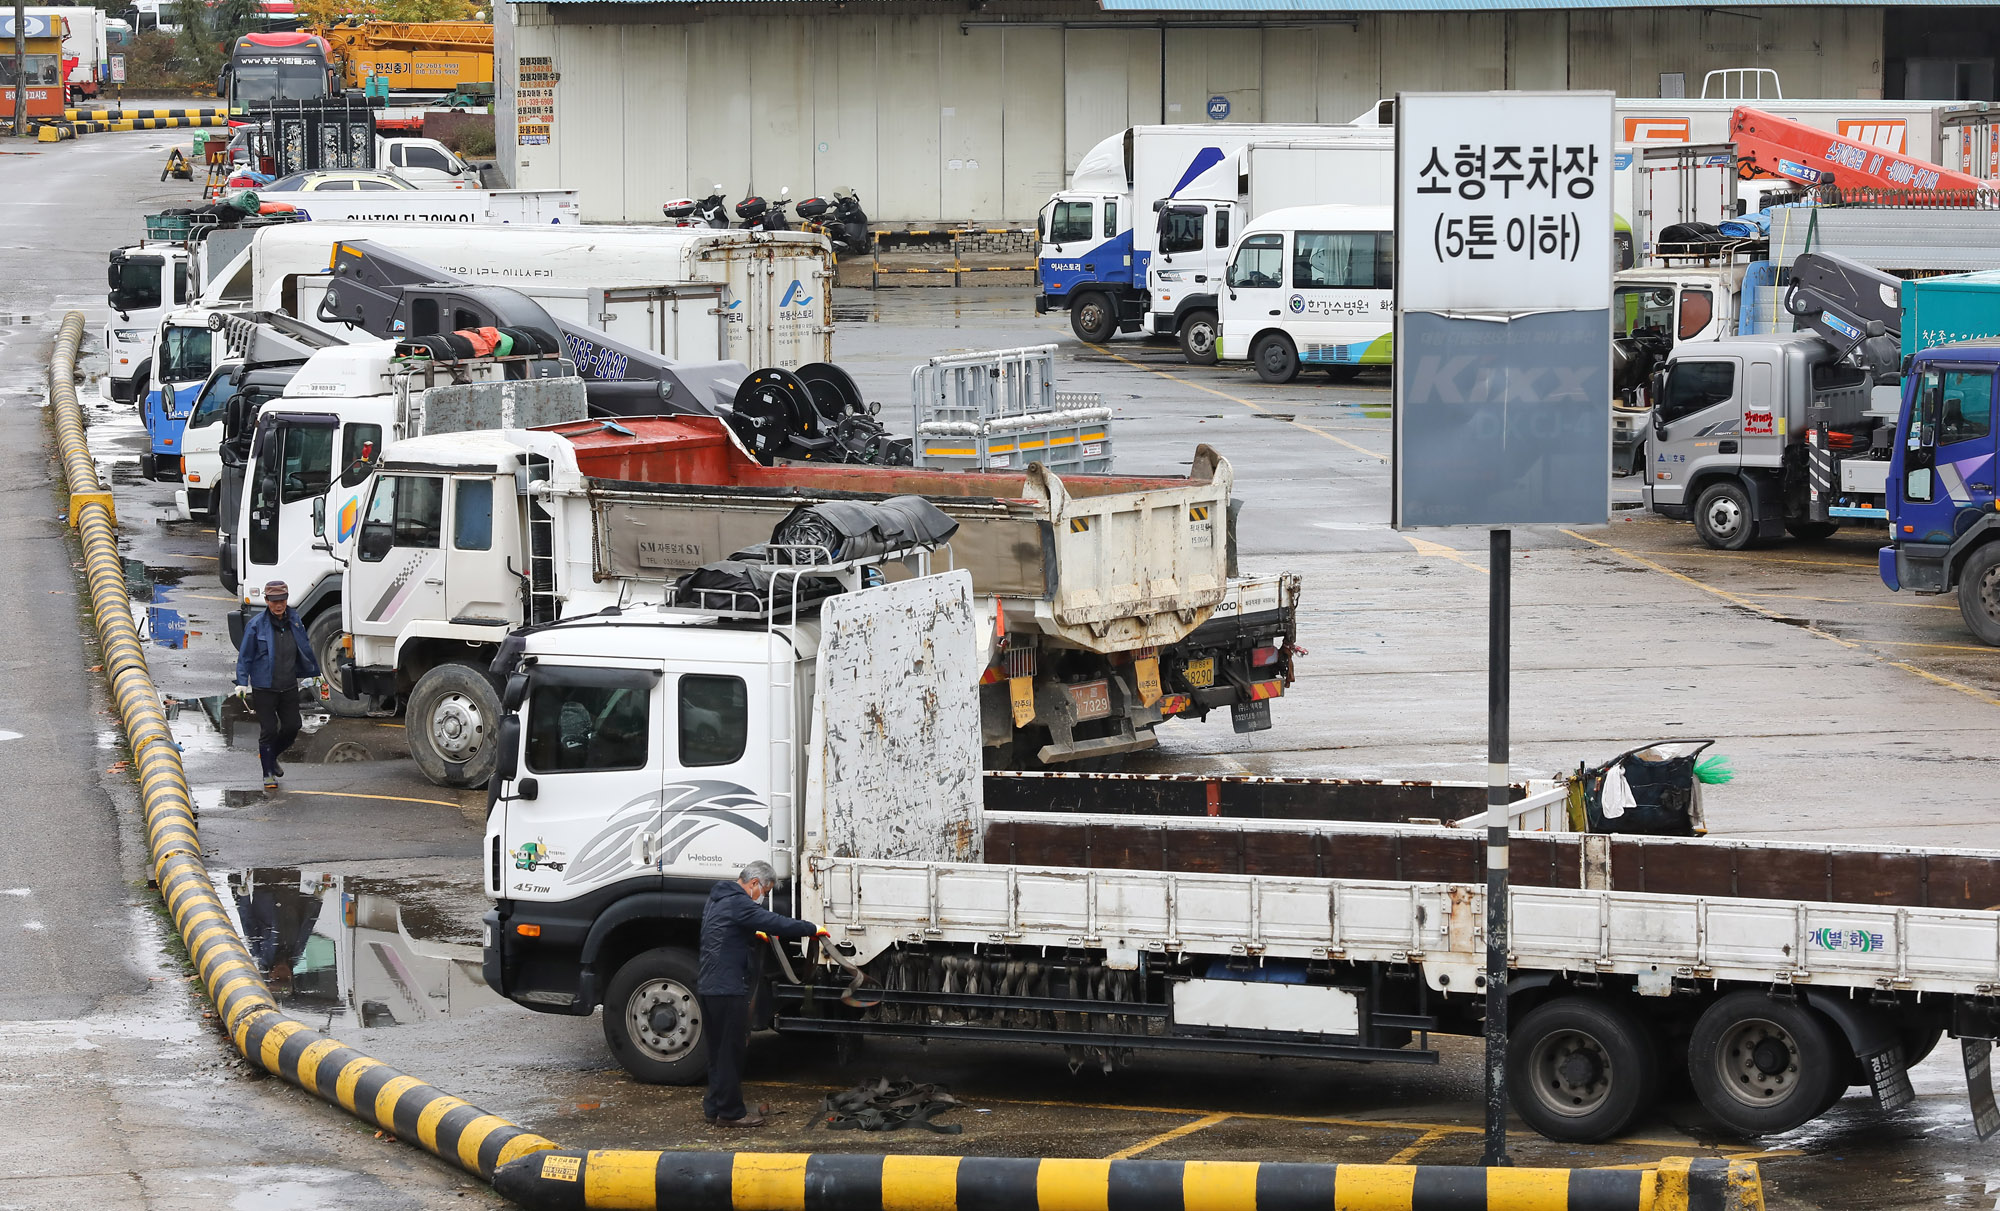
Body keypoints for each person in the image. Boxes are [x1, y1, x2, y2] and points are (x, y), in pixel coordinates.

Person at [697, 860, 818, 1128]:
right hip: (728, 989)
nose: (763, 897)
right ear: (754, 884)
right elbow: (775, 923)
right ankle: (731, 1113)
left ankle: (714, 1107)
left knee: (717, 1052)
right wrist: (810, 929)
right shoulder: (740, 903)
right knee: (731, 1052)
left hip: (709, 987)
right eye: (765, 891)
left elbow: (730, 933)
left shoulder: (718, 899)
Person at [233, 580, 320, 791]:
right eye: (273, 601)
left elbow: (305, 648)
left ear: (286, 600)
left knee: (293, 727)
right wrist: (242, 682)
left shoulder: (295, 621)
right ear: (266, 601)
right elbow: (245, 656)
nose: (278, 605)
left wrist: (315, 673)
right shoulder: (256, 625)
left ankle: (271, 757)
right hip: (265, 688)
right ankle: (268, 773)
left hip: (289, 685)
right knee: (269, 730)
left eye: (281, 600)